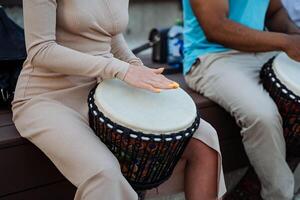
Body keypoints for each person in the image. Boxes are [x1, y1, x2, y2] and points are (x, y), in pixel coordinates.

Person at [12, 0, 226, 200]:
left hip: (105, 90)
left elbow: (110, 35)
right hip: (49, 97)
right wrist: (120, 69)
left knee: (203, 138)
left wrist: (137, 67)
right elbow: (40, 50)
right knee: (105, 173)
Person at [182, 0, 300, 199]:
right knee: (262, 115)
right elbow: (216, 27)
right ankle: (279, 195)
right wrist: (285, 42)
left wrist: (295, 35)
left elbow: (274, 11)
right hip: (212, 58)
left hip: (261, 51)